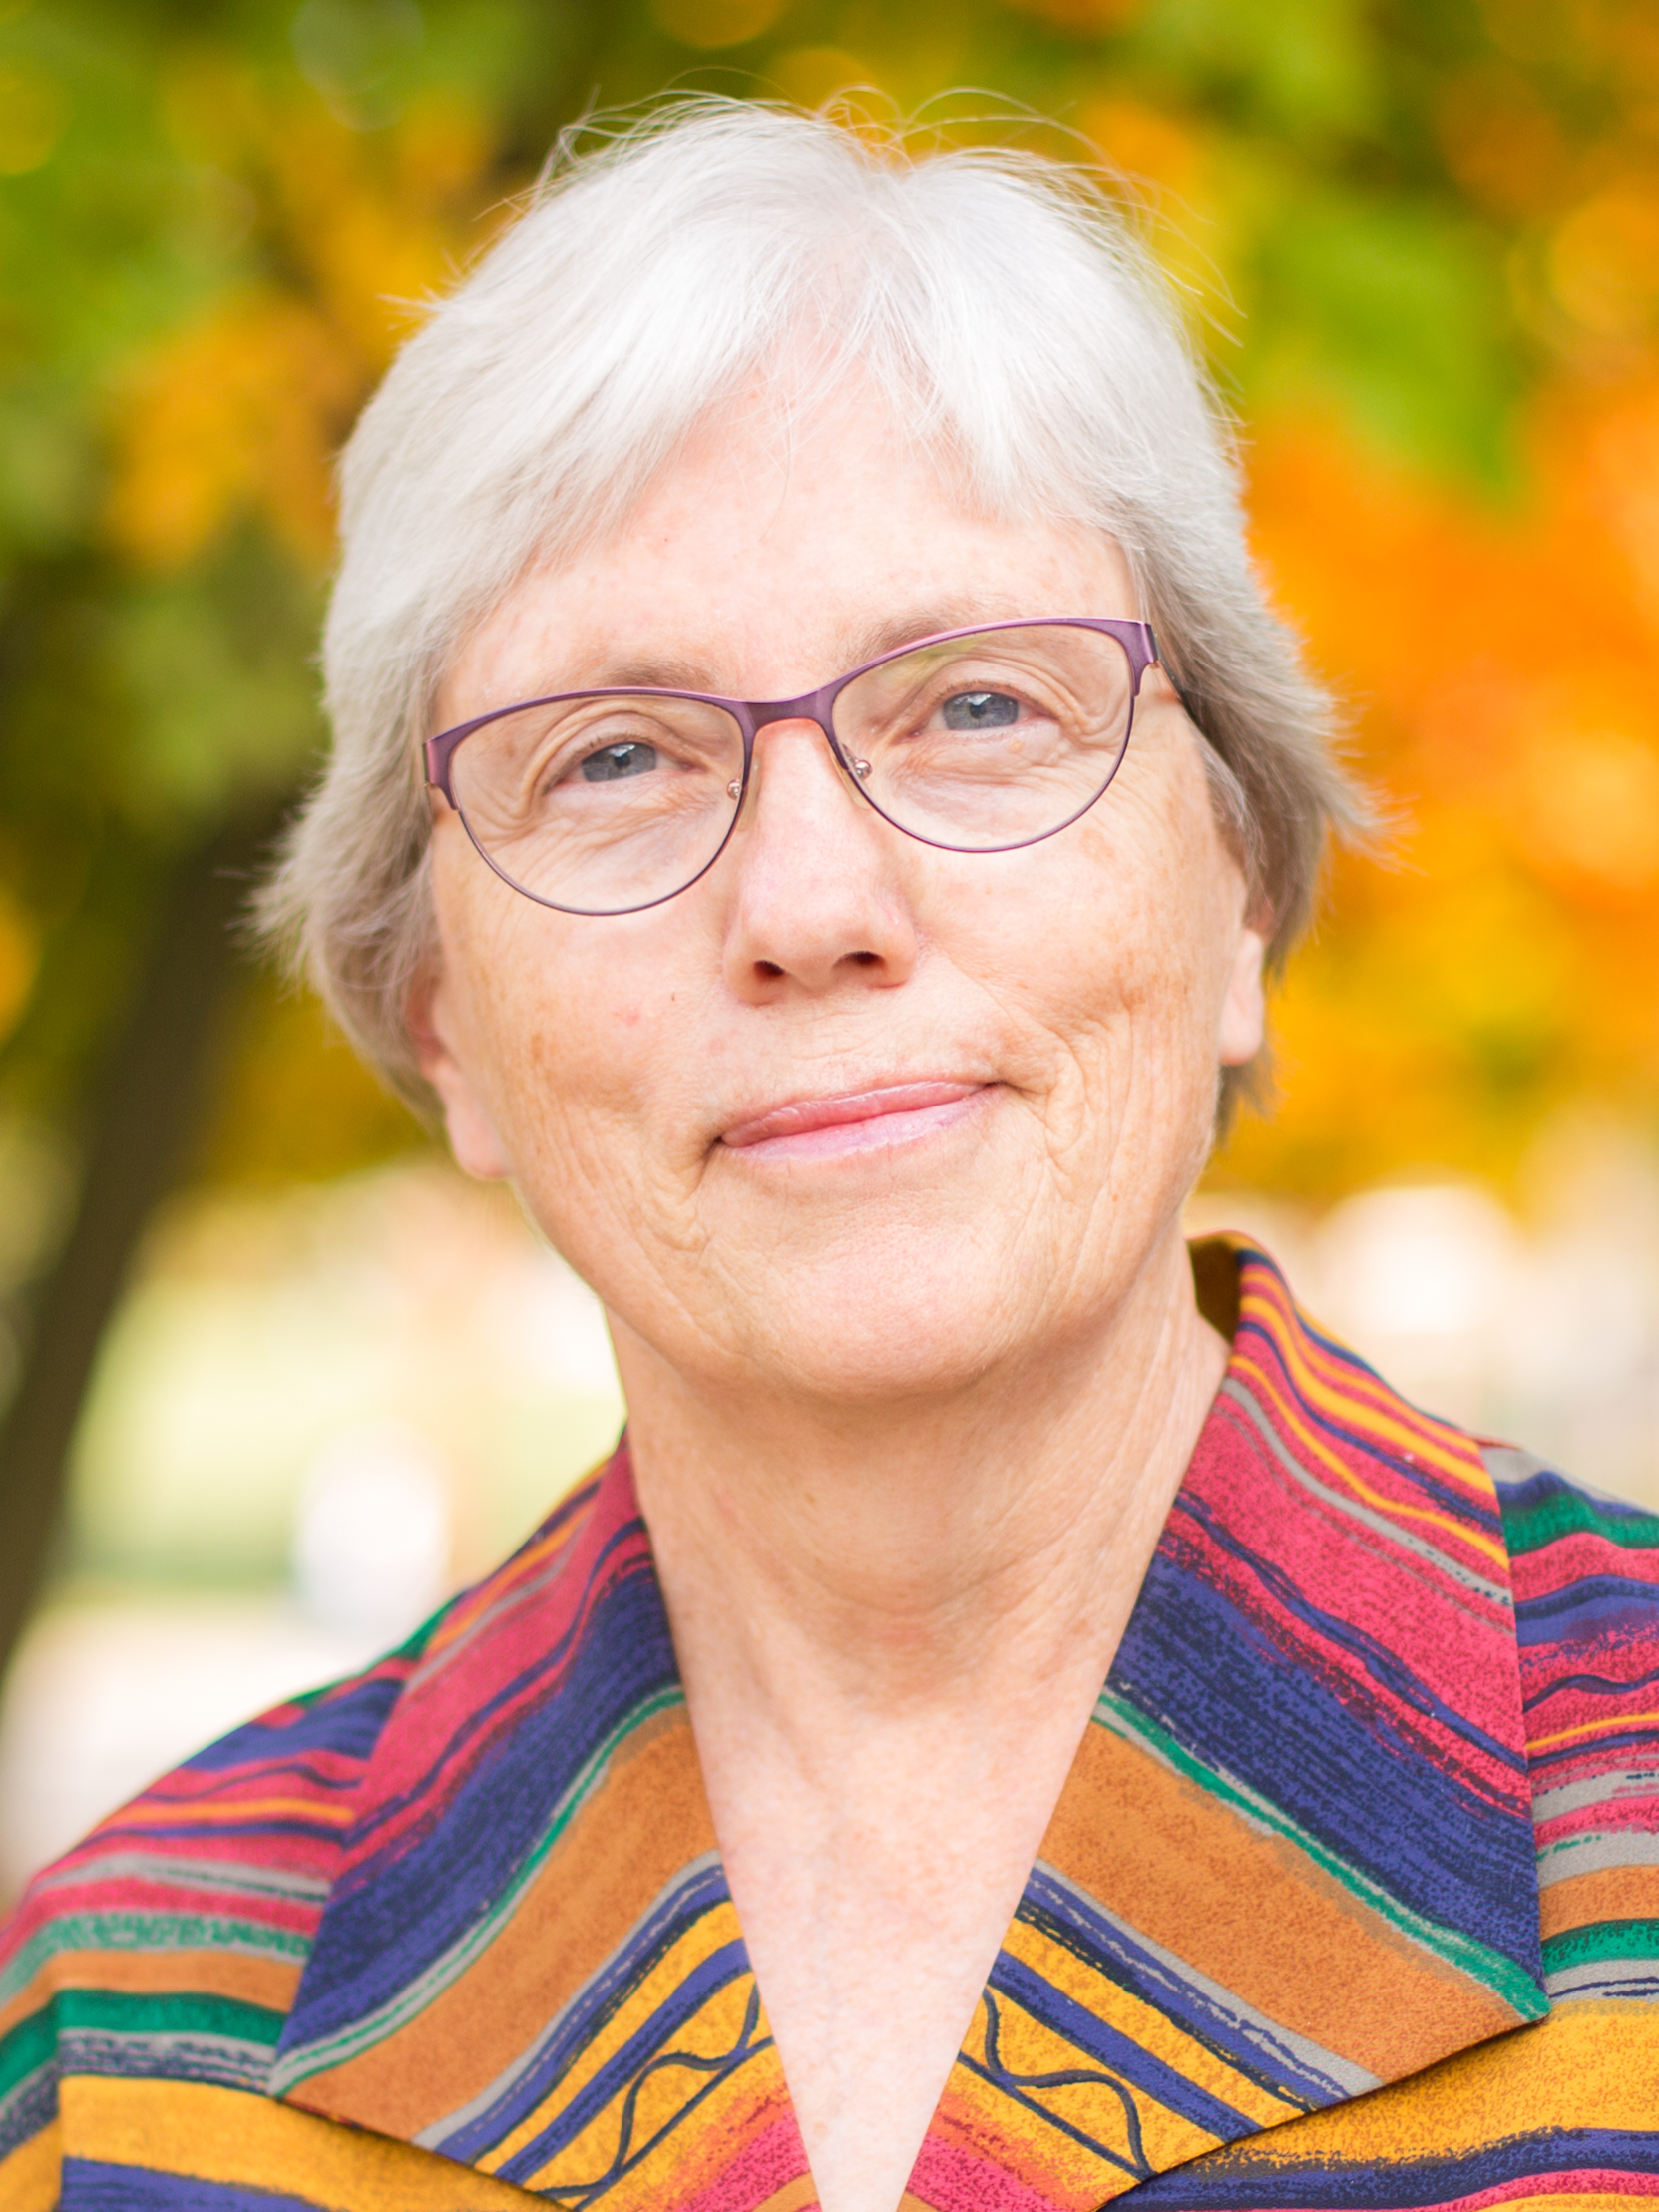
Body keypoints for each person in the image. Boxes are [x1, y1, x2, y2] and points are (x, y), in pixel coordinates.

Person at [3, 98, 1657, 2212]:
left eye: (976, 706)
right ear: (443, 1021)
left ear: (1237, 882)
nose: (808, 896)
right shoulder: (149, 2022)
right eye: (611, 753)